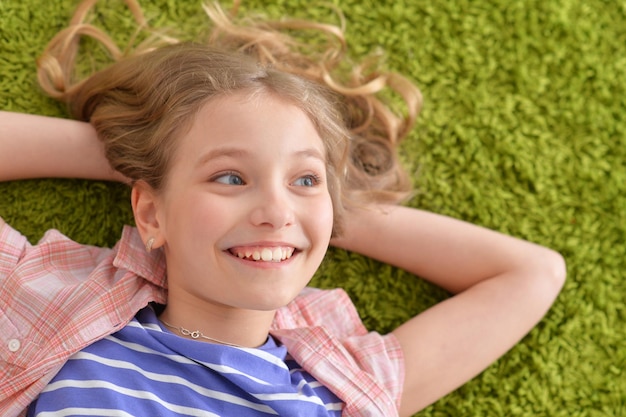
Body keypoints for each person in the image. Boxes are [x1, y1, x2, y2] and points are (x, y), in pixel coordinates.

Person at [0, 1, 566, 416]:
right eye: (229, 176)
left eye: (303, 178)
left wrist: (322, 209)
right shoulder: (54, 308)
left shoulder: (342, 389)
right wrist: (144, 163)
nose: (274, 208)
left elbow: (532, 273)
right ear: (149, 215)